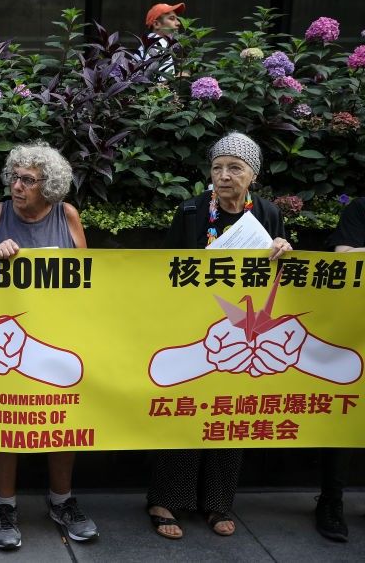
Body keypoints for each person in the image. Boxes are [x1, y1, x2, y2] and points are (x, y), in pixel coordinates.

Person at [148, 131, 292, 540]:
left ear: (253, 176)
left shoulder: (267, 214)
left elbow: (282, 276)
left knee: (232, 414)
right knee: (183, 410)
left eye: (234, 168)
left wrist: (285, 247)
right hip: (193, 328)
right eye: (217, 167)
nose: (224, 176)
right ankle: (164, 500)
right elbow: (165, 270)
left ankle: (218, 502)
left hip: (246, 335)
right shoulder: (192, 212)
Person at [0, 141, 99, 549]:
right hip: (4, 344)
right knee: (8, 424)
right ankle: (4, 506)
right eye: (14, 177)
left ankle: (61, 501)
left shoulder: (67, 214)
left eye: (27, 180)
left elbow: (89, 275)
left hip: (60, 337)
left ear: (50, 185)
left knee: (62, 423)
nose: (17, 186)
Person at [313, 196, 365, 542]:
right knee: (347, 417)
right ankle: (331, 502)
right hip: (356, 331)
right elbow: (344, 258)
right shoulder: (360, 208)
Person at [138, 2, 185, 77]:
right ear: (156, 24)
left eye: (177, 19)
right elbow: (160, 86)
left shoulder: (152, 44)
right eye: (172, 18)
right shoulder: (158, 48)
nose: (178, 23)